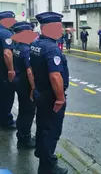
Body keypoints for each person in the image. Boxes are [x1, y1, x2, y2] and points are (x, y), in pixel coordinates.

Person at [30, 11, 69, 174]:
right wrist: (60, 99)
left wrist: (33, 88)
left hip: (40, 92)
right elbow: (55, 75)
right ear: (49, 28)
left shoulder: (36, 44)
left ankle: (42, 156)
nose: (61, 30)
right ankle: (47, 167)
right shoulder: (52, 49)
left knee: (42, 127)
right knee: (51, 130)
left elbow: (31, 70)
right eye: (58, 27)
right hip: (51, 97)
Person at [11, 21, 36, 149]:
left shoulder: (17, 47)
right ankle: (25, 139)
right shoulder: (26, 49)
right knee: (28, 112)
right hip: (25, 84)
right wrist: (33, 88)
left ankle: (21, 135)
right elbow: (29, 71)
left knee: (22, 110)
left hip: (18, 82)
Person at [0, 11, 17, 129]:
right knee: (7, 96)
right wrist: (11, 70)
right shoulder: (6, 33)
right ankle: (6, 121)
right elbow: (7, 53)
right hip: (3, 72)